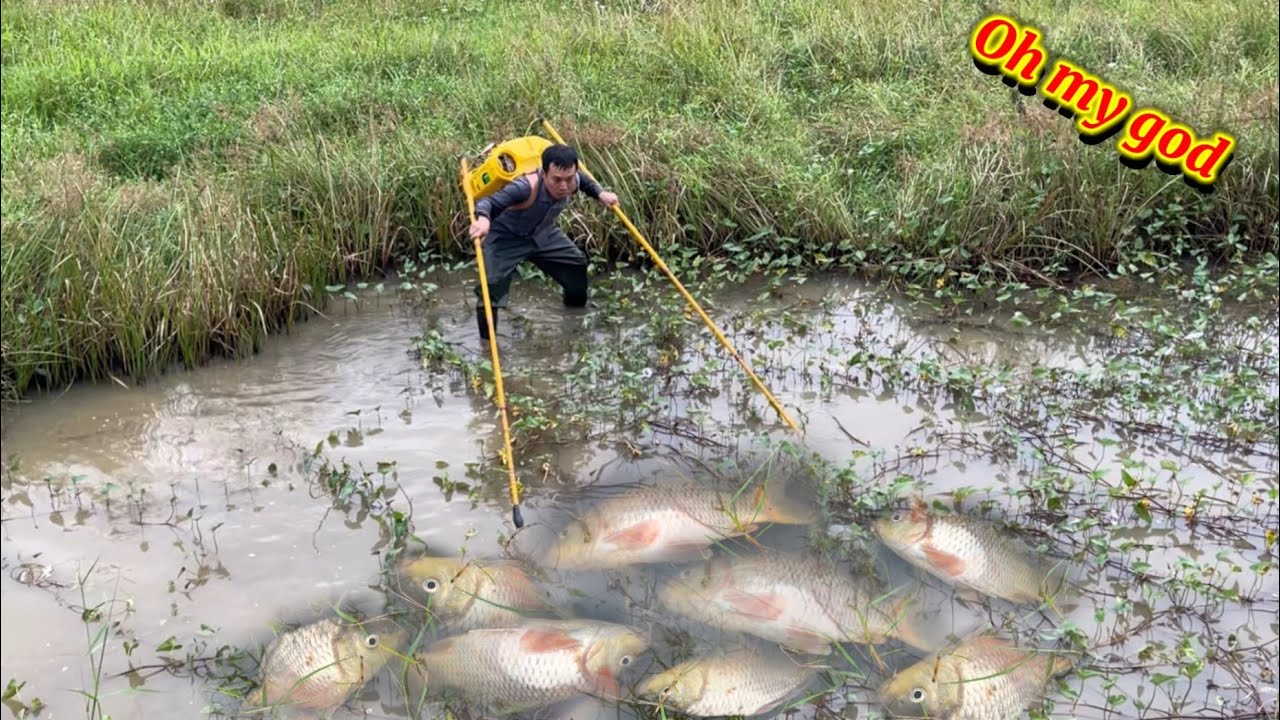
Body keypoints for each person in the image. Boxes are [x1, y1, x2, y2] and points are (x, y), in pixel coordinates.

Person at [468, 144, 619, 340]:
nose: (564, 186)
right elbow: (487, 203)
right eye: (557, 180)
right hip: (505, 238)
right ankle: (487, 343)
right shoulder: (523, 187)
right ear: (544, 173)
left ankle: (574, 314)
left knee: (576, 263)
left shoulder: (573, 180)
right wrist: (483, 219)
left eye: (569, 179)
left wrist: (601, 193)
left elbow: (585, 183)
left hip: (542, 233)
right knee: (490, 288)